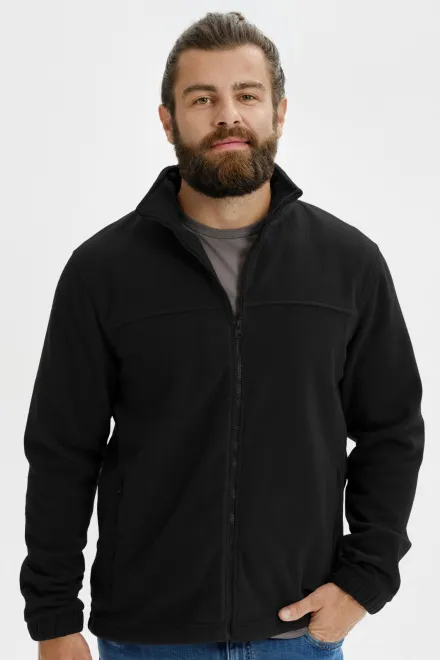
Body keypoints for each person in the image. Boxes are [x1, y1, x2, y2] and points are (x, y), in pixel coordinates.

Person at [19, 10, 425, 660]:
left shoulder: (348, 264)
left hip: (297, 633)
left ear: (279, 113)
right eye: (202, 98)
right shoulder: (102, 272)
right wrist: (54, 620)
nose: (227, 115)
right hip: (147, 638)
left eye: (247, 95)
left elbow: (392, 430)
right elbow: (63, 452)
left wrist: (366, 578)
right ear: (168, 121)